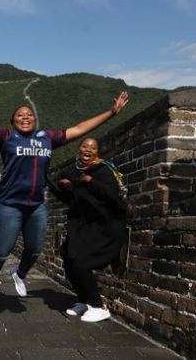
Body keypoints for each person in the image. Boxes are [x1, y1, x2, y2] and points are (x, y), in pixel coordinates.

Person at [0, 79, 128, 311]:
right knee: (0, 252)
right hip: (9, 204)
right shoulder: (6, 137)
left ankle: (20, 274)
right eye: (20, 114)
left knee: (34, 249)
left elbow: (80, 129)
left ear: (35, 120)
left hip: (36, 204)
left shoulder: (47, 138)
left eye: (29, 114)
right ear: (13, 121)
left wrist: (111, 112)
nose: (25, 116)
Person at [51, 138, 127, 322]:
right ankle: (84, 300)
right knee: (69, 260)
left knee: (81, 262)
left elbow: (112, 195)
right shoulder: (71, 172)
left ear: (97, 152)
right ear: (79, 149)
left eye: (93, 147)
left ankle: (99, 306)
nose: (88, 149)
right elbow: (63, 193)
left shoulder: (103, 170)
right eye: (85, 146)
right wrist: (63, 184)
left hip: (103, 225)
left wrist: (89, 180)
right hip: (80, 225)